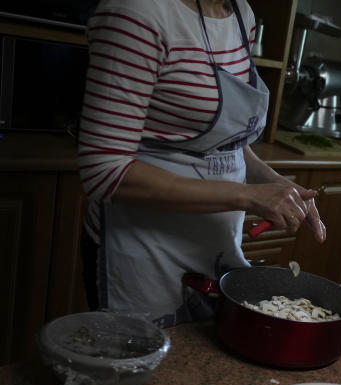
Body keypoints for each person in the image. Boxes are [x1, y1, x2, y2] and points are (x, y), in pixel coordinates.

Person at [78, 0, 326, 328]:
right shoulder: (138, 12)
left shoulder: (241, 15)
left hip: (215, 245)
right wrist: (248, 197)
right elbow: (104, 170)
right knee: (151, 370)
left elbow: (226, 142)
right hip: (145, 249)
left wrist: (276, 185)